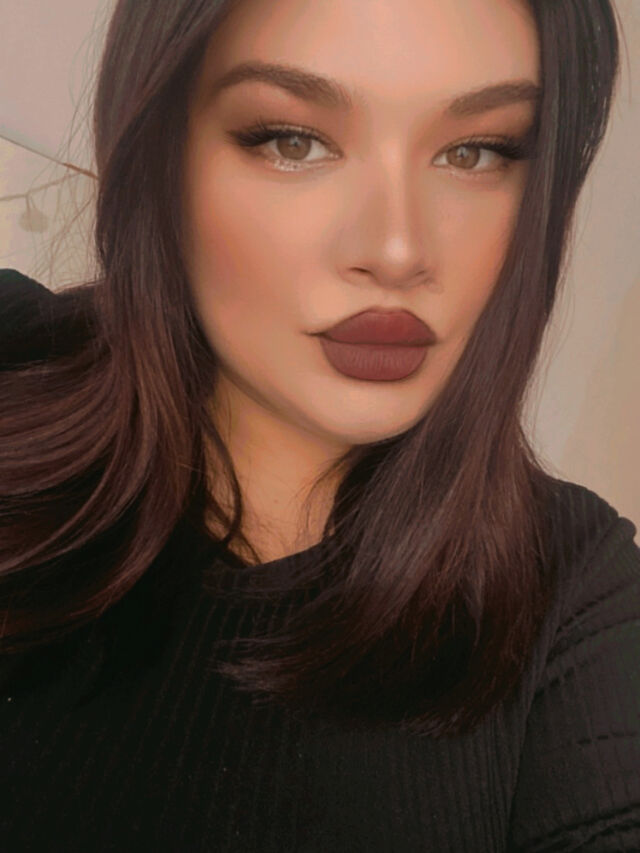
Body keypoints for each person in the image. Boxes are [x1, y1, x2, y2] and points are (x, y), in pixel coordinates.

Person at [1, 0, 639, 850]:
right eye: (293, 141)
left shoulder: (578, 592)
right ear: (161, 153)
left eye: (476, 150)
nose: (398, 249)